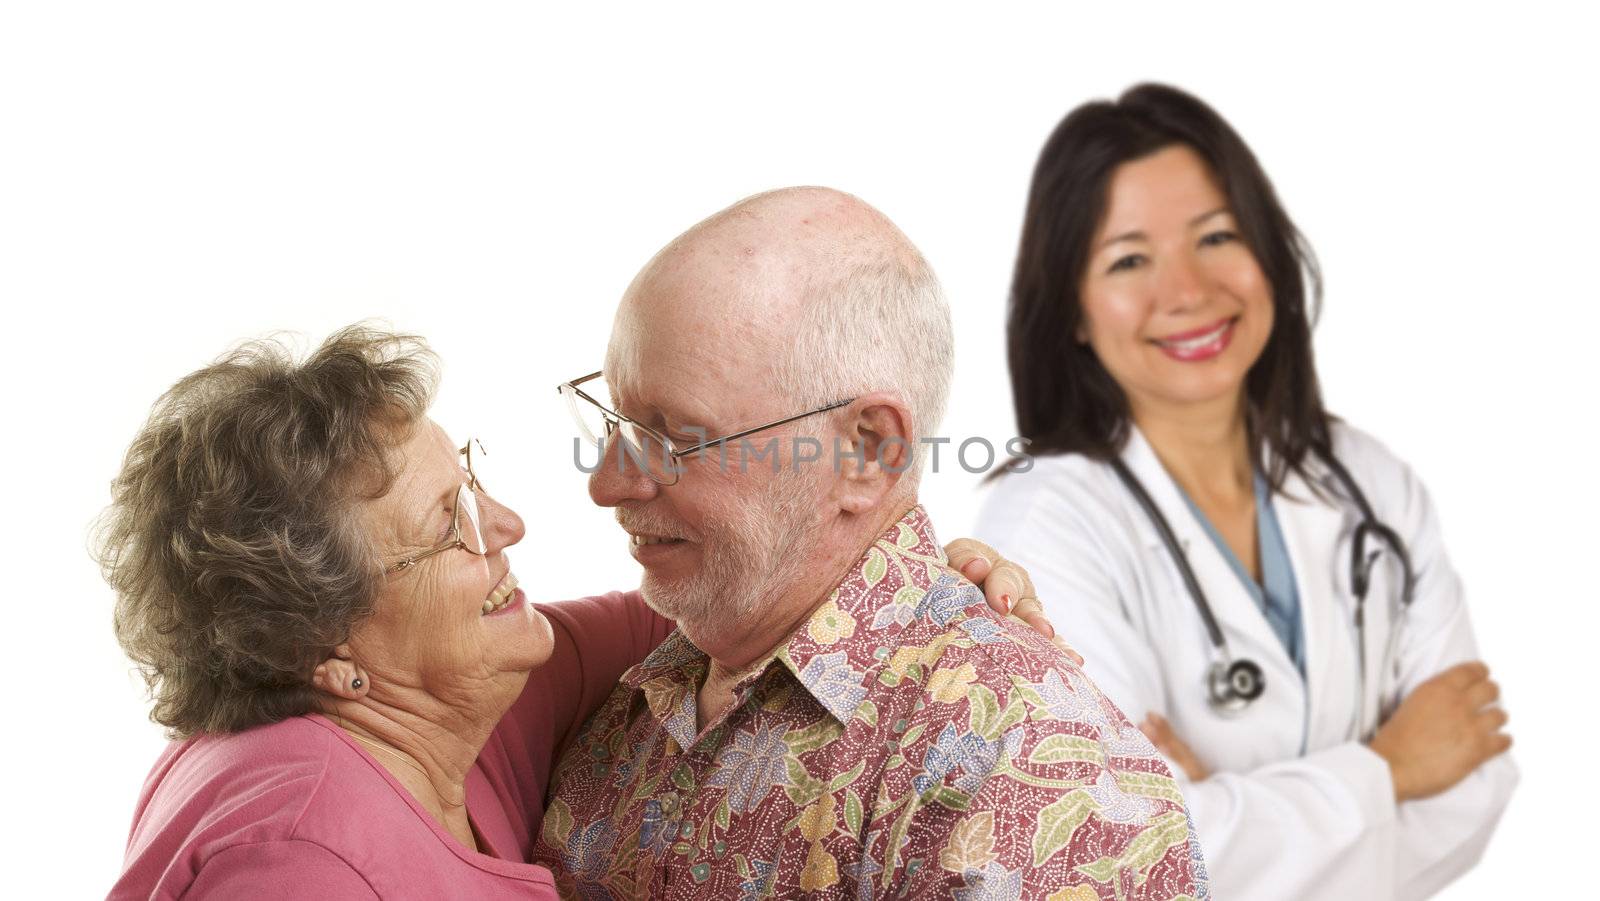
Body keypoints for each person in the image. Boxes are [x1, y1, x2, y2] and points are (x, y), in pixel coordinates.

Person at [100, 325, 1046, 899]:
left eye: (469, 478)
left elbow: (729, 610)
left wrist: (919, 574)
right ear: (325, 644)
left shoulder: (469, 701)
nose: (508, 522)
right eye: (451, 523)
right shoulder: (302, 859)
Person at [534, 187, 1208, 899]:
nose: (606, 483)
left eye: (671, 435)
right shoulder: (624, 699)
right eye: (614, 417)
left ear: (867, 451)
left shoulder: (1028, 769)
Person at [975, 83, 1517, 900]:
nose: (1188, 291)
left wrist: (1218, 814)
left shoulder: (1370, 484)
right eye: (1129, 259)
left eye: (1216, 236)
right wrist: (1388, 767)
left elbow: (1476, 777)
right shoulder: (1045, 527)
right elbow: (1115, 856)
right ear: (1073, 312)